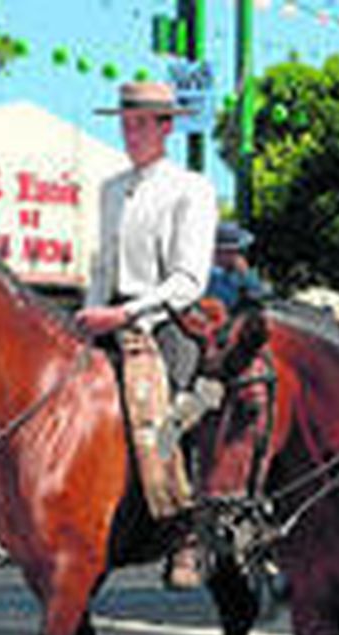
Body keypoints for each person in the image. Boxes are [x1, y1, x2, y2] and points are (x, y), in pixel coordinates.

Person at [79, 81, 219, 590]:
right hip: (110, 315)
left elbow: (188, 280)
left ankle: (185, 529)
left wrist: (127, 314)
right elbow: (103, 263)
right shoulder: (110, 189)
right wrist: (92, 310)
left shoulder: (191, 188)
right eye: (125, 122)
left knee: (167, 417)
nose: (130, 132)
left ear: (167, 126)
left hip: (168, 320)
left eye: (141, 123)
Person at [204, 221, 271, 311]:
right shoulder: (209, 272)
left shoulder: (236, 271)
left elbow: (259, 291)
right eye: (230, 252)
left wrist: (246, 274)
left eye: (237, 251)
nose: (236, 256)